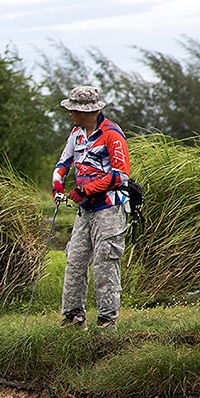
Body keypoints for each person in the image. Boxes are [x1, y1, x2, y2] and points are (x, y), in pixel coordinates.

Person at [52, 86, 131, 330]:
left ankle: (107, 322)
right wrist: (57, 183)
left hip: (109, 208)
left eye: (74, 110)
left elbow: (121, 176)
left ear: (88, 111)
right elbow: (63, 163)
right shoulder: (76, 134)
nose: (70, 114)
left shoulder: (111, 135)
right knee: (74, 260)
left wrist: (85, 190)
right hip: (85, 211)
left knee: (104, 262)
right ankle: (73, 318)